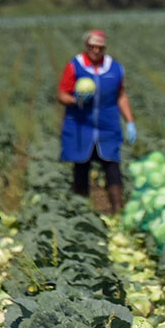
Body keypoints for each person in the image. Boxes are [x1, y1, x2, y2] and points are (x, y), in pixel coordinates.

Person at [57, 30, 136, 214]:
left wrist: (130, 121)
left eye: (99, 48)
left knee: (112, 164)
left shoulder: (115, 68)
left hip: (107, 125)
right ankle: (81, 210)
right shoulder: (75, 66)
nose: (95, 51)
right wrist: (75, 100)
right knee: (81, 165)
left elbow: (121, 95)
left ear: (104, 48)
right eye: (92, 47)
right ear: (86, 46)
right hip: (80, 124)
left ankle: (117, 209)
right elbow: (62, 94)